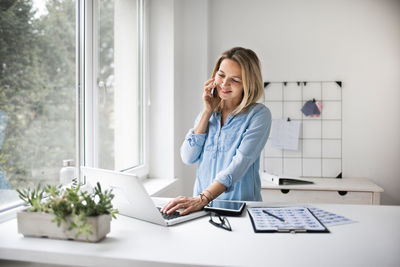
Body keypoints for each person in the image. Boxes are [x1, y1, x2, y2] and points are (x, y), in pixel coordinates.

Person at [161, 47, 271, 215]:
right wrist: (207, 111)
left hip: (239, 210)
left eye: (234, 80)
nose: (224, 84)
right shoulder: (207, 114)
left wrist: (203, 197)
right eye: (221, 75)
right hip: (201, 209)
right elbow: (187, 157)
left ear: (248, 84)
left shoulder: (258, 115)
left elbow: (239, 164)